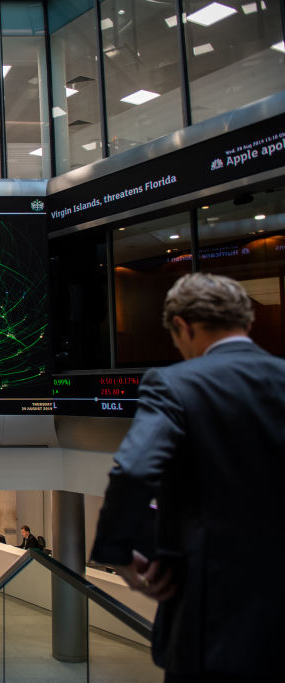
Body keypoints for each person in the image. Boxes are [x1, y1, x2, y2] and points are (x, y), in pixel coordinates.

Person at [91, 273, 285, 681]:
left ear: (182, 325)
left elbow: (133, 469)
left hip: (209, 615)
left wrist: (119, 556)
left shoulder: (173, 384)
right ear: (246, 323)